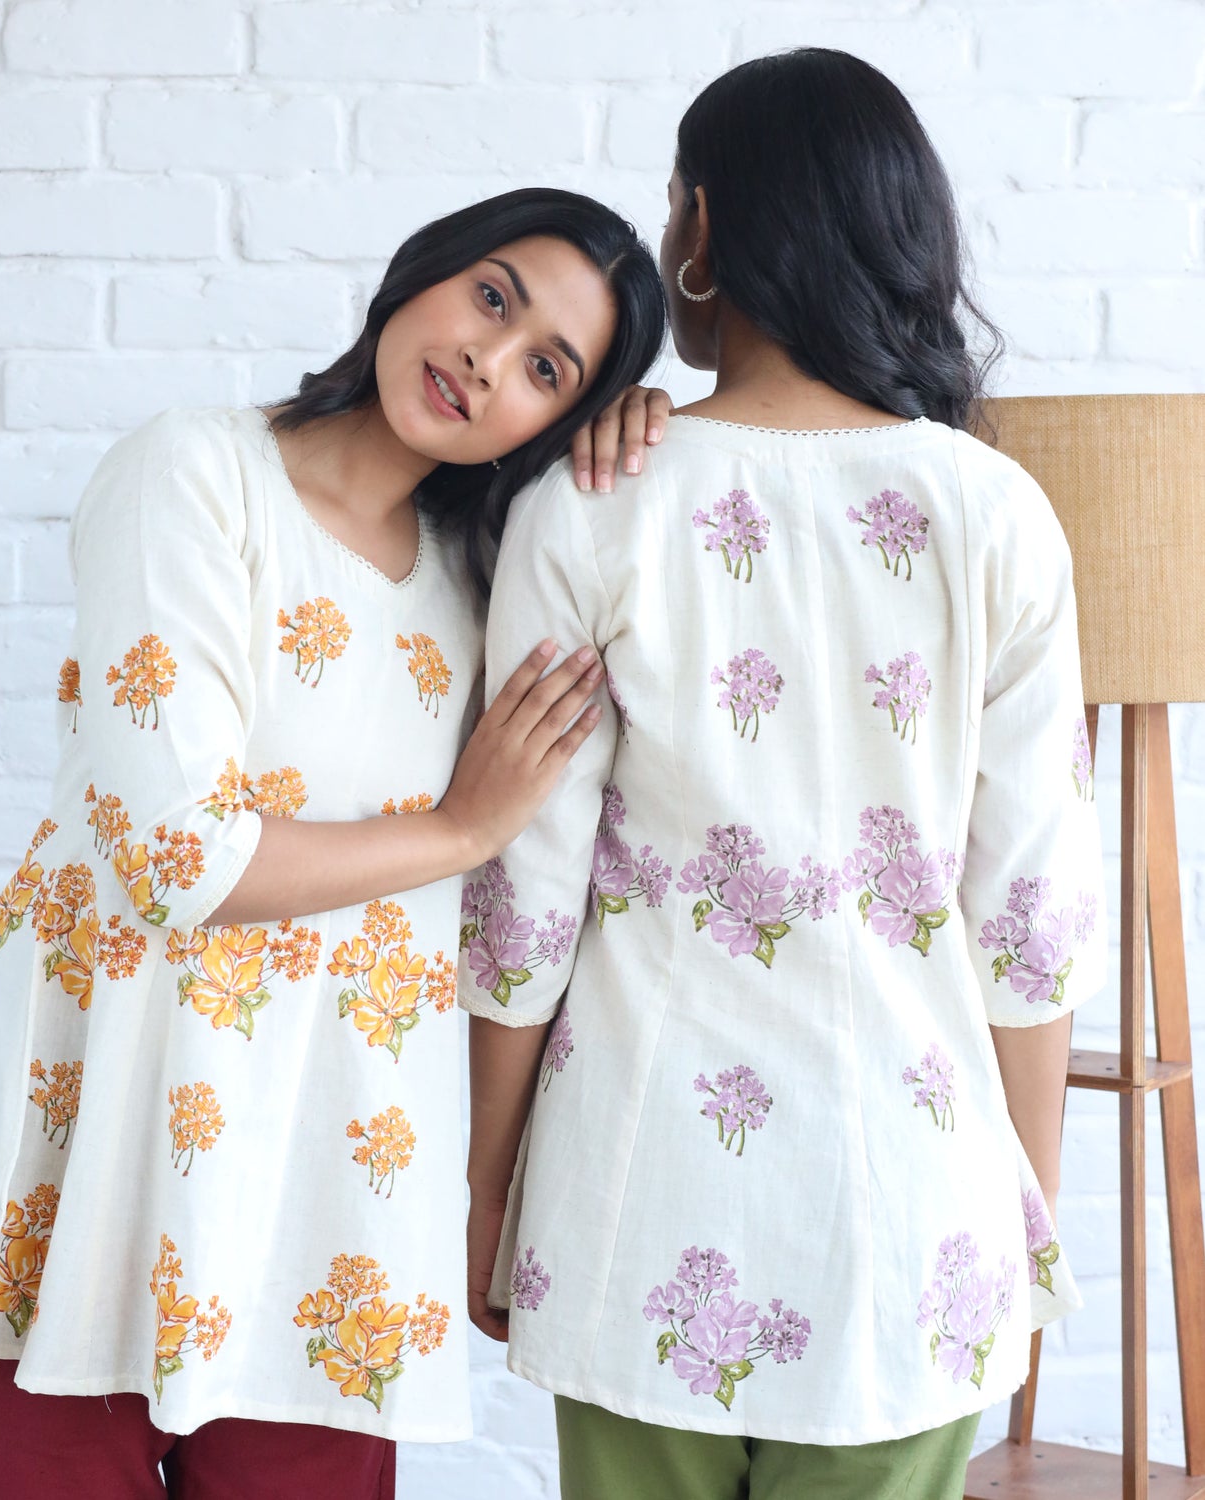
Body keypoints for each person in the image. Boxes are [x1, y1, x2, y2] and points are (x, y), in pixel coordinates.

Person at [0, 186, 667, 1500]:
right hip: (74, 1194)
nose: (486, 359)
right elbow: (176, 861)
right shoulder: (190, 474)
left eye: (547, 370)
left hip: (325, 1222)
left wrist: (647, 447)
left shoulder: (491, 583)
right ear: (427, 268)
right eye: (492, 298)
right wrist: (461, 828)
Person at [462, 52, 1105, 1500]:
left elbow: (526, 902)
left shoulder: (592, 504)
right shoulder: (998, 515)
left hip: (636, 1198)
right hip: (912, 1213)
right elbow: (1031, 923)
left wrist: (488, 1183)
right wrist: (1024, 1214)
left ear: (700, 223)